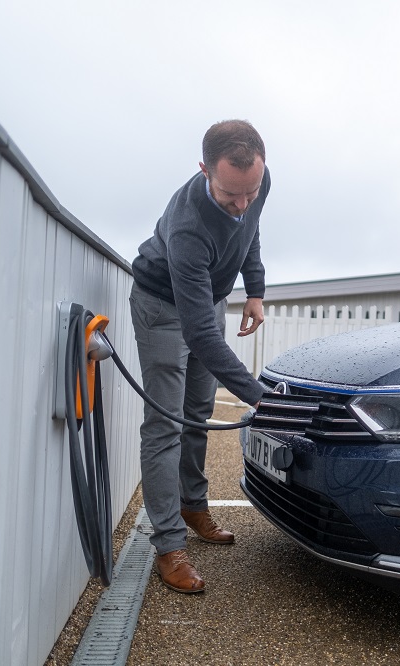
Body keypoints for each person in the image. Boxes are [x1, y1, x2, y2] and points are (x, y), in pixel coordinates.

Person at [130, 119, 269, 593]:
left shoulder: (254, 182)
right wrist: (259, 397)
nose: (242, 204)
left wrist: (255, 288)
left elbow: (249, 230)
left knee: (198, 413)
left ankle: (193, 504)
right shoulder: (188, 228)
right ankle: (168, 544)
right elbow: (202, 337)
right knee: (166, 423)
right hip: (164, 306)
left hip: (208, 296)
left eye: (250, 191)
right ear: (204, 170)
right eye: (231, 194)